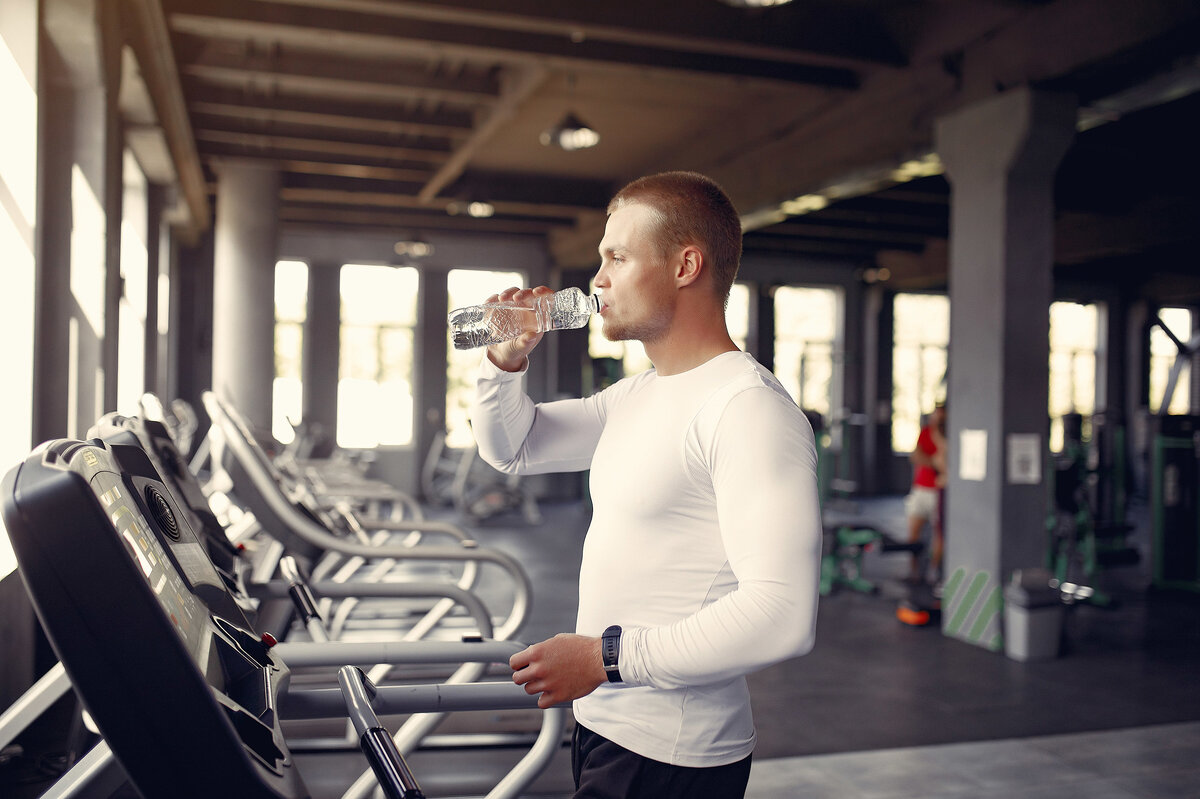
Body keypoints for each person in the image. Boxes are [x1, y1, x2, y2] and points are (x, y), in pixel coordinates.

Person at [469, 171, 822, 798]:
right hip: (605, 725)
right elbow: (513, 447)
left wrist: (604, 658)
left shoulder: (748, 408)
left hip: (672, 753)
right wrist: (505, 359)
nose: (598, 280)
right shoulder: (636, 395)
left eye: (618, 258)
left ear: (686, 266)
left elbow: (782, 615)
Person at [904, 401, 947, 583]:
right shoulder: (926, 432)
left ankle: (933, 572)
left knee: (939, 535)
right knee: (913, 531)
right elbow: (916, 456)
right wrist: (934, 462)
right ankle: (914, 572)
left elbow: (945, 463)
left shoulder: (947, 436)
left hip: (939, 493)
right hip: (921, 489)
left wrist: (939, 462)